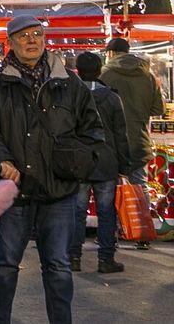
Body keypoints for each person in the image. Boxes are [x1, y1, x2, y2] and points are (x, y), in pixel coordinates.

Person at [0, 15, 104, 324]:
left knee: (58, 265)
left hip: (58, 189)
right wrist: (2, 160)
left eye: (37, 33)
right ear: (10, 43)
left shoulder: (70, 83)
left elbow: (92, 130)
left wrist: (77, 162)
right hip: (12, 190)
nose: (31, 40)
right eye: (23, 35)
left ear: (45, 38)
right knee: (5, 264)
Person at [99, 37, 165, 251]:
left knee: (109, 188)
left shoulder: (104, 74)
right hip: (138, 141)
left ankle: (110, 235)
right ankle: (142, 233)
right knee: (140, 186)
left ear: (110, 53)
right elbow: (158, 109)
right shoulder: (148, 75)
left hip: (111, 142)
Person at [69, 52, 130, 274]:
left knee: (77, 211)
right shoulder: (112, 98)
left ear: (78, 70)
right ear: (100, 70)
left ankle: (73, 257)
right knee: (106, 212)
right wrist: (124, 166)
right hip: (106, 161)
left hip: (79, 161)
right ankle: (106, 259)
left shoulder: (70, 96)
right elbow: (121, 134)